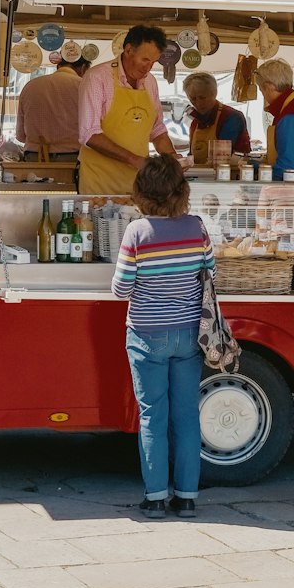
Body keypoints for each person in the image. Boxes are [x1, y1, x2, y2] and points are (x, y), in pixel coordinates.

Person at [112, 154, 213, 519]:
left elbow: (121, 289)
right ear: (181, 191)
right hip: (189, 334)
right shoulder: (198, 227)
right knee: (187, 415)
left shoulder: (137, 232)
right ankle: (187, 498)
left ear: (141, 191)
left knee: (152, 416)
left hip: (146, 334)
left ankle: (155, 497)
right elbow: (210, 273)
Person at [78, 25, 181, 194]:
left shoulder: (150, 82)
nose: (148, 68)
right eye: (145, 60)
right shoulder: (97, 78)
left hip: (138, 185)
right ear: (128, 50)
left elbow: (157, 130)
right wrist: (135, 160)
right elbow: (89, 134)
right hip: (100, 183)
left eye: (153, 62)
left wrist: (171, 157)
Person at [15, 54, 89, 158]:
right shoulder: (83, 86)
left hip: (34, 157)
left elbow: (20, 135)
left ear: (58, 65)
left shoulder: (30, 86)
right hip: (72, 158)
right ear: (83, 68)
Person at [183, 72, 251, 164]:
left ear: (214, 93)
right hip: (199, 176)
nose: (198, 103)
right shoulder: (195, 122)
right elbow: (191, 155)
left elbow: (221, 157)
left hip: (231, 175)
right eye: (193, 99)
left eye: (202, 98)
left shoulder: (231, 117)